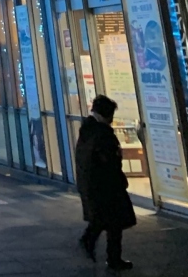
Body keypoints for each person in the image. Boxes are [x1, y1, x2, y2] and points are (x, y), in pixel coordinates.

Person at [75, 94, 136, 272]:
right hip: (107, 184)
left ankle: (91, 242)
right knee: (114, 222)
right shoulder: (102, 133)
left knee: (103, 219)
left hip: (92, 183)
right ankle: (112, 257)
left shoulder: (87, 129)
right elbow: (109, 160)